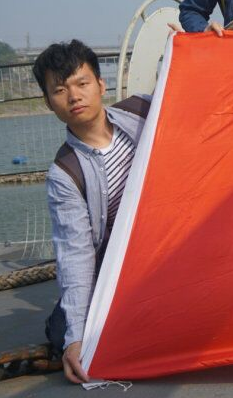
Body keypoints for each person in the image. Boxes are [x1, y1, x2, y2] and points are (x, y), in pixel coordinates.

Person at [33, 40, 152, 384]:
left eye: (82, 83)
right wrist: (75, 337)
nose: (74, 96)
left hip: (165, 249)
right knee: (69, 334)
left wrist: (199, 41)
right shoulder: (65, 173)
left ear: (101, 85)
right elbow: (76, 253)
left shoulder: (143, 111)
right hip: (114, 270)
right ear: (49, 102)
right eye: (60, 90)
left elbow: (196, 93)